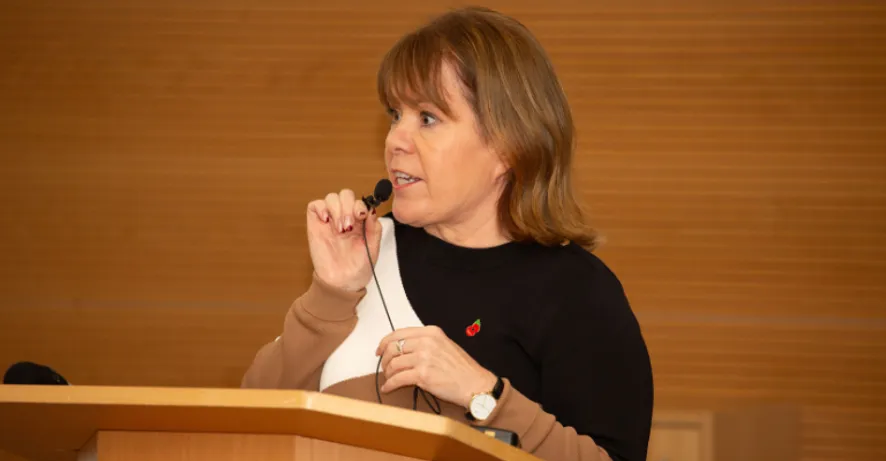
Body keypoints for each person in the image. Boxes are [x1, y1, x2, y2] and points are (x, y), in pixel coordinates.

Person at [241, 6, 653, 461]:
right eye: (395, 114)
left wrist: (485, 395)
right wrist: (331, 295)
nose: (396, 139)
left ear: (508, 147)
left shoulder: (576, 291)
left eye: (428, 118)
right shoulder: (367, 253)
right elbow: (248, 428)